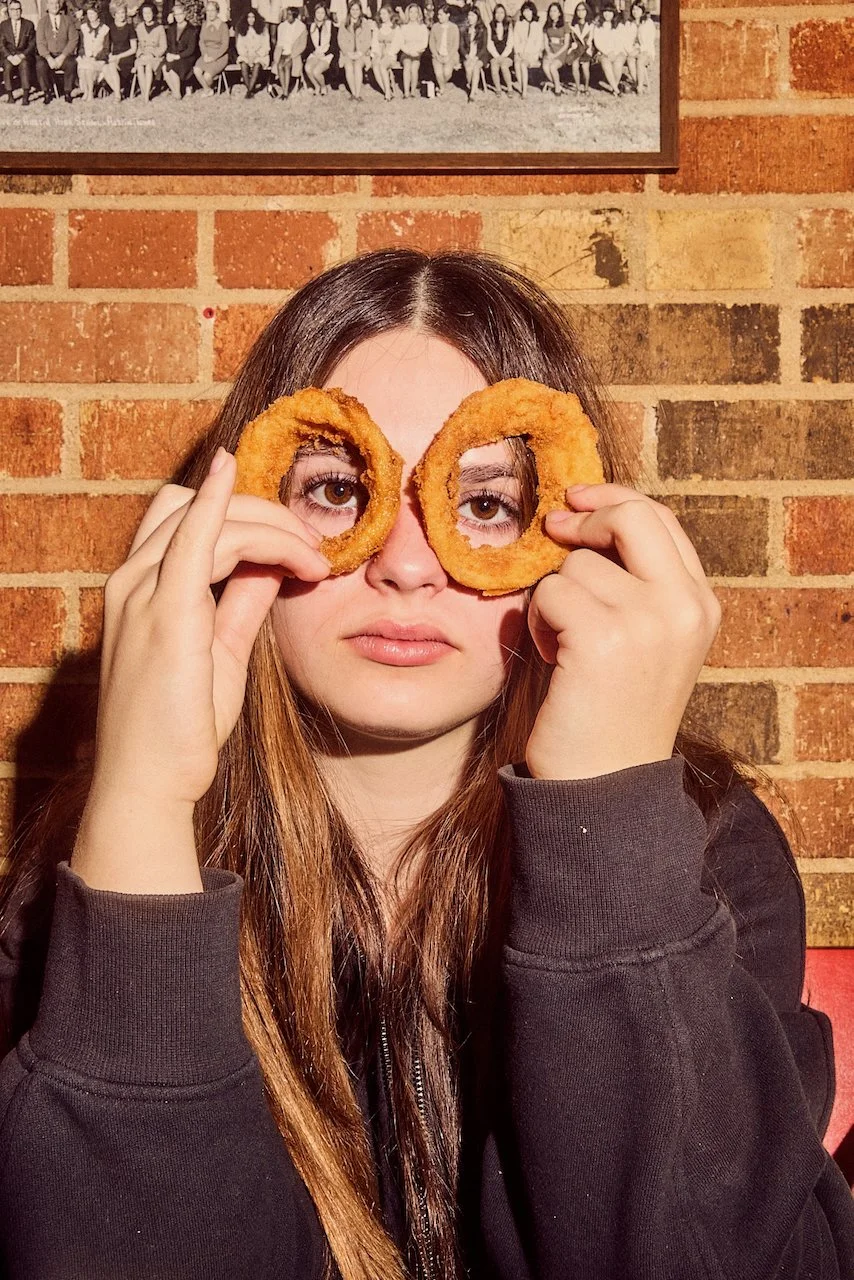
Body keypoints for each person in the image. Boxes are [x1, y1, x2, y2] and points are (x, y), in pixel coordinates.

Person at [2, 248, 853, 1280]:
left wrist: (603, 808)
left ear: (573, 538)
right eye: (332, 489)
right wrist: (139, 800)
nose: (406, 564)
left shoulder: (702, 851)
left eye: (485, 504)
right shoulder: (81, 883)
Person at [35, 0, 79, 103]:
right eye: (51, 3)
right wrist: (48, 57)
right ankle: (47, 93)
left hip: (63, 55)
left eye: (56, 3)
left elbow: (74, 39)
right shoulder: (42, 22)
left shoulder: (67, 20)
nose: (54, 6)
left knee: (72, 63)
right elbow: (40, 42)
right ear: (47, 6)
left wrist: (63, 56)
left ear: (60, 5)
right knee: (40, 65)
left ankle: (67, 92)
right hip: (48, 56)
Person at [76, 2, 121, 97]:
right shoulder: (83, 28)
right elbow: (81, 46)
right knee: (83, 67)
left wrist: (96, 56)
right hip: (86, 58)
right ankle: (86, 91)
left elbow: (106, 48)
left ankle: (90, 93)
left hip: (99, 59)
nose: (91, 16)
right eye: (89, 14)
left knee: (88, 69)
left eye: (93, 13)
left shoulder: (104, 29)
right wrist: (84, 54)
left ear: (98, 14)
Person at [0, 0, 36, 104]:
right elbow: (1, 44)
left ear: (21, 10)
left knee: (24, 64)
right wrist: (9, 56)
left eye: (18, 9)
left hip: (24, 55)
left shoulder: (28, 25)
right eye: (13, 10)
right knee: (7, 66)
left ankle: (25, 95)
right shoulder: (3, 25)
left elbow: (32, 44)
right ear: (9, 11)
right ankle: (10, 95)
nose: (16, 12)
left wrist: (22, 55)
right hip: (9, 55)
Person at [336, 0, 373, 99]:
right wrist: (347, 53)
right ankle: (353, 93)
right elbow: (340, 40)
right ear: (349, 10)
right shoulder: (344, 23)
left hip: (362, 53)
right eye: (352, 9)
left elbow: (368, 40)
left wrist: (360, 52)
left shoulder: (365, 23)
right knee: (348, 67)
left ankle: (358, 93)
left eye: (357, 9)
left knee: (357, 67)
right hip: (347, 53)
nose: (355, 12)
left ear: (360, 11)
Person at [162, 0, 198, 95]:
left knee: (173, 67)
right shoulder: (171, 28)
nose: (178, 17)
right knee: (164, 67)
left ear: (185, 14)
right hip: (173, 55)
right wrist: (168, 54)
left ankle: (177, 94)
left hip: (186, 57)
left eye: (180, 14)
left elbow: (191, 49)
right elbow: (168, 45)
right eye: (176, 15)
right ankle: (175, 91)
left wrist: (178, 56)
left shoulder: (192, 29)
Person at [193, 0, 229, 92]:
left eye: (213, 10)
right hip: (207, 54)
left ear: (217, 12)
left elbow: (225, 45)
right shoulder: (205, 24)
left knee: (207, 76)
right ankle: (208, 89)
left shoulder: (223, 25)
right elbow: (201, 42)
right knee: (196, 70)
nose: (210, 13)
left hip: (220, 56)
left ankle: (211, 85)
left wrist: (214, 57)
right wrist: (204, 54)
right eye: (208, 11)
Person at [591, 0, 625, 94]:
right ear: (602, 13)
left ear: (614, 13)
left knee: (618, 63)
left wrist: (615, 52)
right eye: (605, 11)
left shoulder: (619, 25)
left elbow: (620, 41)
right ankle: (617, 90)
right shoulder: (598, 26)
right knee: (606, 63)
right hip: (603, 52)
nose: (607, 14)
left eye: (610, 12)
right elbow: (597, 43)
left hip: (618, 52)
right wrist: (607, 52)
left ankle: (614, 87)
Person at [132, 0, 165, 98]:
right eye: (144, 13)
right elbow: (138, 45)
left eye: (149, 13)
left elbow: (163, 46)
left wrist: (152, 54)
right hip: (143, 55)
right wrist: (141, 54)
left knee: (149, 66)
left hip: (155, 57)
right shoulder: (139, 27)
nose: (147, 15)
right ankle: (144, 94)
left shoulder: (160, 28)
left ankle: (146, 96)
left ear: (153, 13)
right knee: (140, 66)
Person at [394, 0, 426, 97]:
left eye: (415, 12)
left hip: (417, 53)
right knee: (407, 65)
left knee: (414, 67)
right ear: (408, 13)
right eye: (411, 12)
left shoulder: (422, 27)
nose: (413, 14)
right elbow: (401, 43)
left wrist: (416, 51)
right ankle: (406, 92)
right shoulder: (404, 27)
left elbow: (424, 43)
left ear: (418, 14)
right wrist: (408, 51)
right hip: (406, 52)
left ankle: (412, 91)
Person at [272, 3, 306, 94]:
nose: (288, 16)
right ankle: (284, 90)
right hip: (283, 51)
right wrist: (277, 55)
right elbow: (279, 43)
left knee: (287, 66)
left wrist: (291, 55)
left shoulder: (301, 27)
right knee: (279, 65)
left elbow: (302, 45)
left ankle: (285, 92)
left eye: (290, 14)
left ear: (295, 15)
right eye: (287, 14)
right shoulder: (282, 26)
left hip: (294, 53)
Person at [510, 0, 540, 96]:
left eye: (529, 10)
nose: (527, 13)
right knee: (517, 64)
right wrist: (519, 52)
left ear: (533, 11)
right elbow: (516, 40)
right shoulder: (519, 24)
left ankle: (524, 92)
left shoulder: (537, 25)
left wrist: (528, 53)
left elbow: (538, 43)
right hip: (519, 52)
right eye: (525, 11)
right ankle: (522, 86)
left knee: (523, 64)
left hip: (532, 54)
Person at [622, 0, 653, 92]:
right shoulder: (629, 23)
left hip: (645, 50)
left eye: (638, 9)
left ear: (643, 11)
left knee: (640, 60)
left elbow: (649, 41)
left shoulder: (648, 22)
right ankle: (638, 84)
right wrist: (630, 50)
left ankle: (639, 86)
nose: (635, 12)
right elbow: (626, 40)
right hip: (632, 50)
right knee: (630, 59)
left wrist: (640, 49)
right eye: (634, 9)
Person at [107, 0, 137, 94]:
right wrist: (111, 55)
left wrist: (119, 56)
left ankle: (117, 95)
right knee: (105, 67)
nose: (121, 15)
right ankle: (118, 91)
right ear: (114, 14)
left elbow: (134, 49)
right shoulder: (110, 28)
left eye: (123, 12)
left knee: (111, 65)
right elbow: (107, 46)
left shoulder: (130, 28)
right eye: (118, 13)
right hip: (114, 56)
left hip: (127, 57)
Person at [426, 0, 457, 95]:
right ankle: (442, 88)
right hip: (437, 55)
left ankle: (440, 84)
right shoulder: (435, 27)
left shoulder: (454, 27)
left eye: (441, 15)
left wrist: (449, 56)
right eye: (438, 15)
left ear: (448, 15)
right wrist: (436, 55)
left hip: (450, 55)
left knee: (447, 73)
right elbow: (431, 43)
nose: (439, 17)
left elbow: (456, 45)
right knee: (438, 73)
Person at [369, 2, 399, 99]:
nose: (382, 16)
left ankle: (387, 94)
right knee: (375, 65)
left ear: (390, 14)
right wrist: (376, 53)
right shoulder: (378, 27)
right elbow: (374, 42)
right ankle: (387, 90)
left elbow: (397, 44)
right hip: (379, 53)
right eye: (381, 14)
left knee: (382, 65)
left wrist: (389, 53)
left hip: (390, 55)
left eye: (385, 14)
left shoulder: (395, 28)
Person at [303, 1, 334, 94]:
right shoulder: (311, 26)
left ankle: (323, 87)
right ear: (314, 13)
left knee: (316, 72)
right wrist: (314, 52)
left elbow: (334, 44)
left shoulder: (330, 25)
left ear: (325, 14)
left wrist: (325, 53)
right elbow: (309, 44)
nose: (320, 15)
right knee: (308, 68)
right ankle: (317, 86)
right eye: (318, 13)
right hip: (315, 53)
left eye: (322, 13)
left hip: (327, 54)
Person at [458, 1, 484, 97]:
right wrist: (466, 55)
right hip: (468, 55)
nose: (470, 18)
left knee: (476, 67)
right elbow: (461, 46)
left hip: (480, 56)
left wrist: (477, 57)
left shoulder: (482, 29)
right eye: (469, 15)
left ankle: (472, 94)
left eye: (473, 16)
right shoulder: (464, 30)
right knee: (468, 68)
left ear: (477, 17)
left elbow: (484, 47)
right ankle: (471, 84)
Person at [485, 1, 512, 94]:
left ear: (505, 14)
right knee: (494, 66)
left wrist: (503, 56)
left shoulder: (508, 25)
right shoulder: (490, 25)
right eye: (497, 13)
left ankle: (510, 88)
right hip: (494, 53)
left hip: (507, 53)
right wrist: (496, 56)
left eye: (501, 13)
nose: (499, 15)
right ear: (494, 14)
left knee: (504, 66)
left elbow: (510, 43)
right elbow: (489, 43)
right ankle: (498, 89)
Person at [539, 0, 566, 92]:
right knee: (545, 67)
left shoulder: (564, 25)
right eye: (551, 11)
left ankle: (557, 89)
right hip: (550, 50)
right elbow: (546, 42)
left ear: (559, 13)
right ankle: (557, 85)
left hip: (561, 51)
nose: (552, 13)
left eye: (555, 11)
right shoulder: (547, 26)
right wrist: (549, 53)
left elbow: (566, 44)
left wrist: (555, 55)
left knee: (552, 67)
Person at [564, 0, 591, 91]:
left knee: (585, 67)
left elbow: (590, 40)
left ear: (587, 11)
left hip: (587, 48)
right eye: (578, 10)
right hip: (576, 49)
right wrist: (573, 45)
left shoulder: (591, 25)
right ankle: (578, 88)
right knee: (574, 65)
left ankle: (586, 88)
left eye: (583, 10)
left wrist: (588, 48)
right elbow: (572, 39)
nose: (581, 13)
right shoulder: (573, 25)